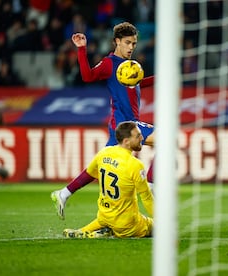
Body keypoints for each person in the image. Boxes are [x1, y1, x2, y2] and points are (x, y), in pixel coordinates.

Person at [51, 22, 155, 220]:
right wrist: (81, 49)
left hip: (124, 123)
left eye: (134, 43)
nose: (131, 47)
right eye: (127, 43)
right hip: (124, 124)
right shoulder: (110, 64)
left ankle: (64, 193)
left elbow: (139, 82)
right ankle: (151, 183)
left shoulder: (130, 66)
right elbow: (87, 77)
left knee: (101, 165)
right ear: (117, 41)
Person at [63, 121, 154, 238]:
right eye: (138, 136)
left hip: (104, 217)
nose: (142, 138)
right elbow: (146, 198)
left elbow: (89, 173)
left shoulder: (103, 153)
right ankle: (109, 232)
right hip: (127, 224)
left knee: (88, 229)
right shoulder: (135, 165)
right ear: (126, 141)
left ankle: (92, 231)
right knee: (155, 226)